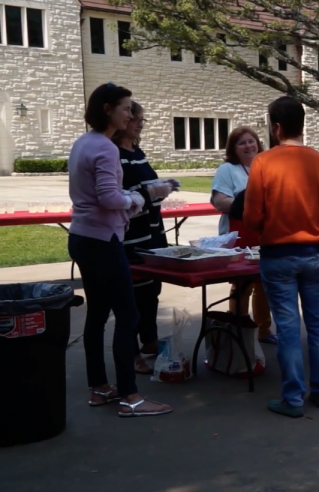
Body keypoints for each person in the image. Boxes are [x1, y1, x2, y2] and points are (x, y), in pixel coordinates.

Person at [68, 83, 172, 417]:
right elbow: (109, 198)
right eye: (126, 108)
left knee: (97, 315)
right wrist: (138, 199)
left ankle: (99, 388)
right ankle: (131, 397)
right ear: (107, 109)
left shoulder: (82, 142)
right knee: (128, 314)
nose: (131, 114)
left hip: (83, 237)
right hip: (102, 241)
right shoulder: (106, 148)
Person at [243, 96, 319, 418]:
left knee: (288, 327)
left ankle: (292, 399)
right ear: (301, 125)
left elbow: (251, 217)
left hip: (277, 255)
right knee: (318, 324)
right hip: (316, 255)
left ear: (276, 128)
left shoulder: (263, 163)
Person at [112, 101, 178, 375]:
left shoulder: (136, 150)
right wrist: (152, 192)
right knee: (134, 295)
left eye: (141, 119)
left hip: (152, 231)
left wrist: (161, 187)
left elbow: (143, 184)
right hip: (131, 235)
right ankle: (132, 353)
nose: (139, 123)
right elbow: (122, 193)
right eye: (134, 117)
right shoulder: (113, 152)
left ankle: (149, 339)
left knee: (152, 290)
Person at [211, 127, 276, 345]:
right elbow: (220, 201)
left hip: (263, 232)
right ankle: (238, 326)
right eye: (242, 143)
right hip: (238, 233)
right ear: (234, 148)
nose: (248, 146)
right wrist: (251, 204)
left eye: (252, 141)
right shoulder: (227, 170)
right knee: (242, 283)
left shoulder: (267, 166)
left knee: (264, 282)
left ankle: (264, 330)